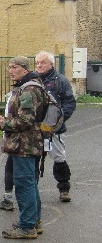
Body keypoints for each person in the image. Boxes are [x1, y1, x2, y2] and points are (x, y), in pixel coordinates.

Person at [0, 56, 46, 239]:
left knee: (24, 184)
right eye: (9, 67)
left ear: (24, 68)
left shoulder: (29, 89)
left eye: (14, 67)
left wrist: (3, 124)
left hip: (24, 145)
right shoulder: (28, 86)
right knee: (29, 183)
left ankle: (27, 226)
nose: (10, 71)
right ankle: (34, 221)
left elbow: (25, 121)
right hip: (26, 143)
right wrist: (5, 120)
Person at [35, 51, 76, 202]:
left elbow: (69, 102)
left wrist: (59, 120)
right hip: (35, 129)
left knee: (59, 158)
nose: (39, 65)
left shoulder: (61, 81)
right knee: (33, 159)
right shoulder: (33, 80)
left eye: (43, 62)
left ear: (51, 64)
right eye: (37, 63)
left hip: (54, 130)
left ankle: (64, 189)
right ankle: (32, 191)